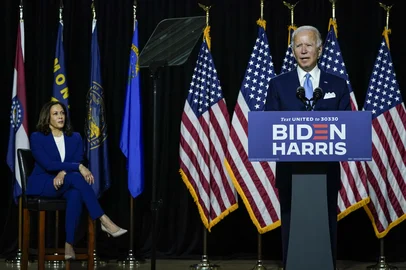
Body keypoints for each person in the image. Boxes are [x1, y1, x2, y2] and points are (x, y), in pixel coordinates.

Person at [264, 25, 350, 268]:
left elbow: (346, 128)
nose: (303, 50)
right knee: (292, 228)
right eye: (298, 45)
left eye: (308, 45)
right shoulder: (278, 85)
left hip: (326, 173)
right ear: (292, 51)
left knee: (326, 226)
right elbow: (269, 127)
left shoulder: (338, 85)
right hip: (291, 173)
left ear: (319, 50)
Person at [26, 101, 127, 260]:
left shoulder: (75, 137)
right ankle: (103, 219)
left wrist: (64, 172)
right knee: (76, 176)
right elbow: (48, 164)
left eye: (62, 113)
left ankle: (69, 243)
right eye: (56, 113)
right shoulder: (37, 137)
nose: (60, 116)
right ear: (47, 117)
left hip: (66, 183)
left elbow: (77, 159)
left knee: (75, 194)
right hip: (44, 183)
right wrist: (78, 167)